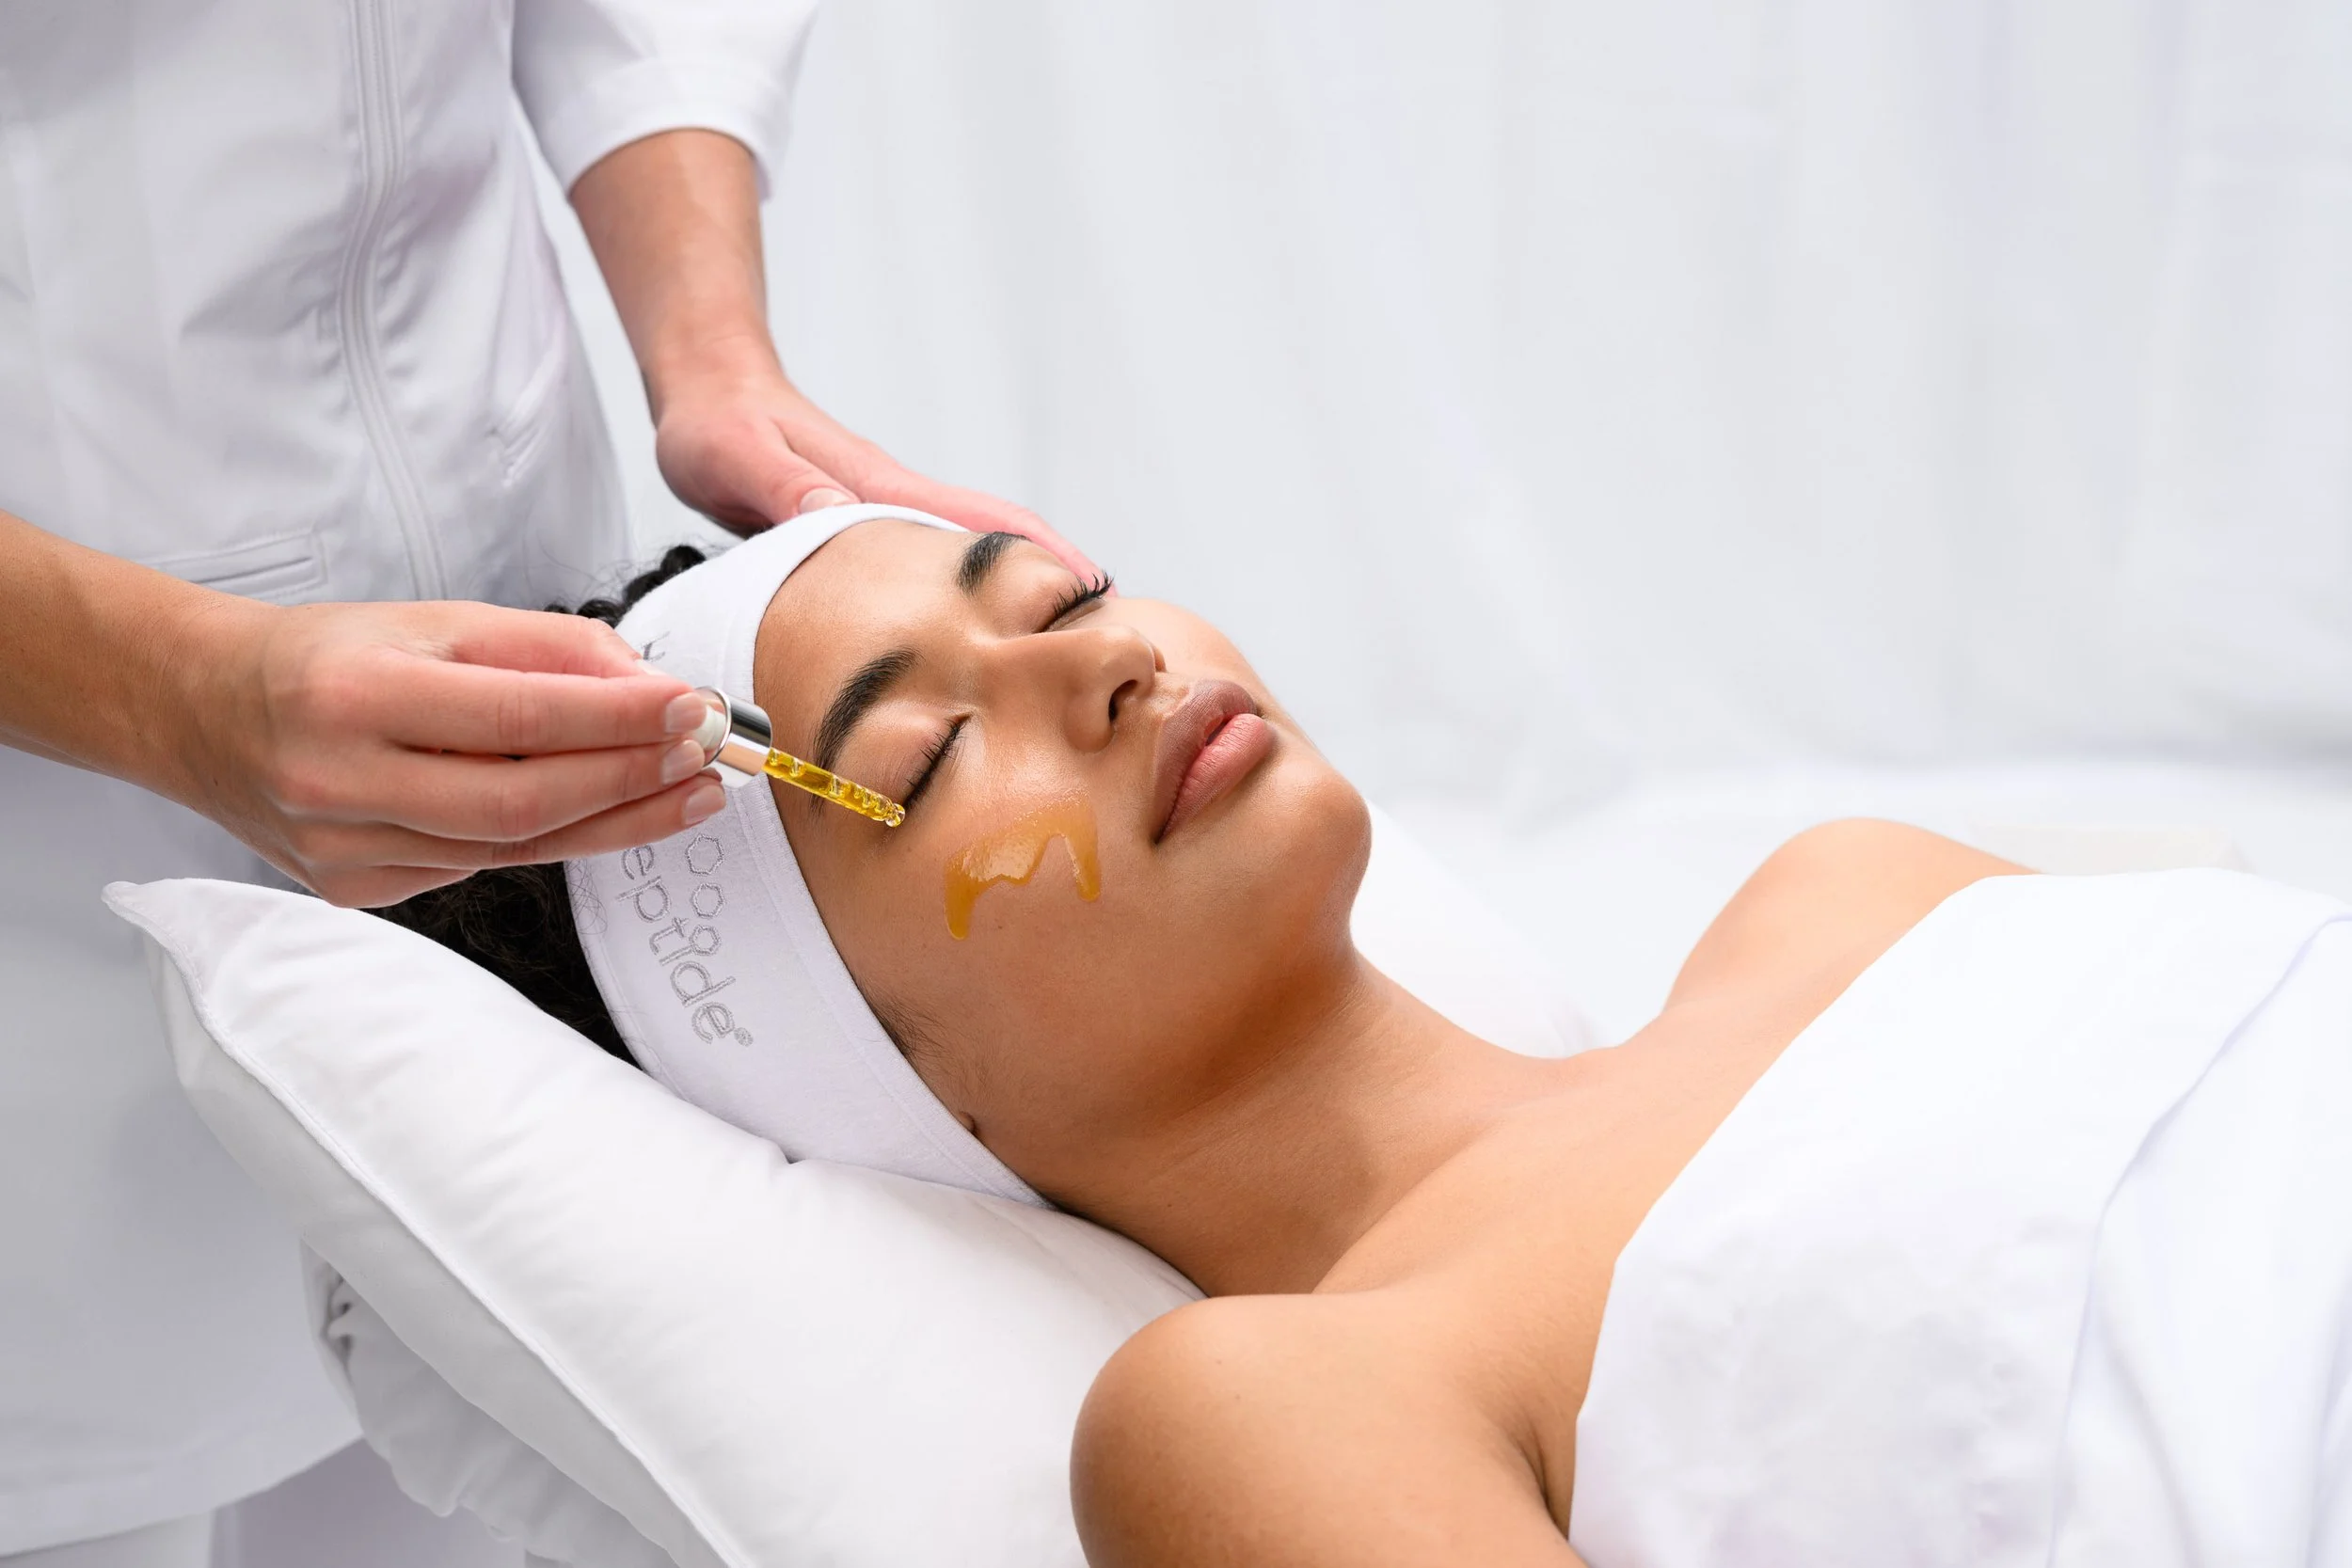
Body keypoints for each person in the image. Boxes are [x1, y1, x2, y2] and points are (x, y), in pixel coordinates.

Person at [396, 513, 2352, 1566]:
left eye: (1060, 589)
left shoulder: (1849, 889)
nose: (1100, 657)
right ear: (853, 1072)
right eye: (928, 744)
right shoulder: (1265, 1408)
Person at [0, 8, 1079, 1562]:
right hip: (46, 870)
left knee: (484, 1396)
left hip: (505, 546)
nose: (1119, 680)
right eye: (926, 750)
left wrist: (712, 341)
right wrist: (168, 688)